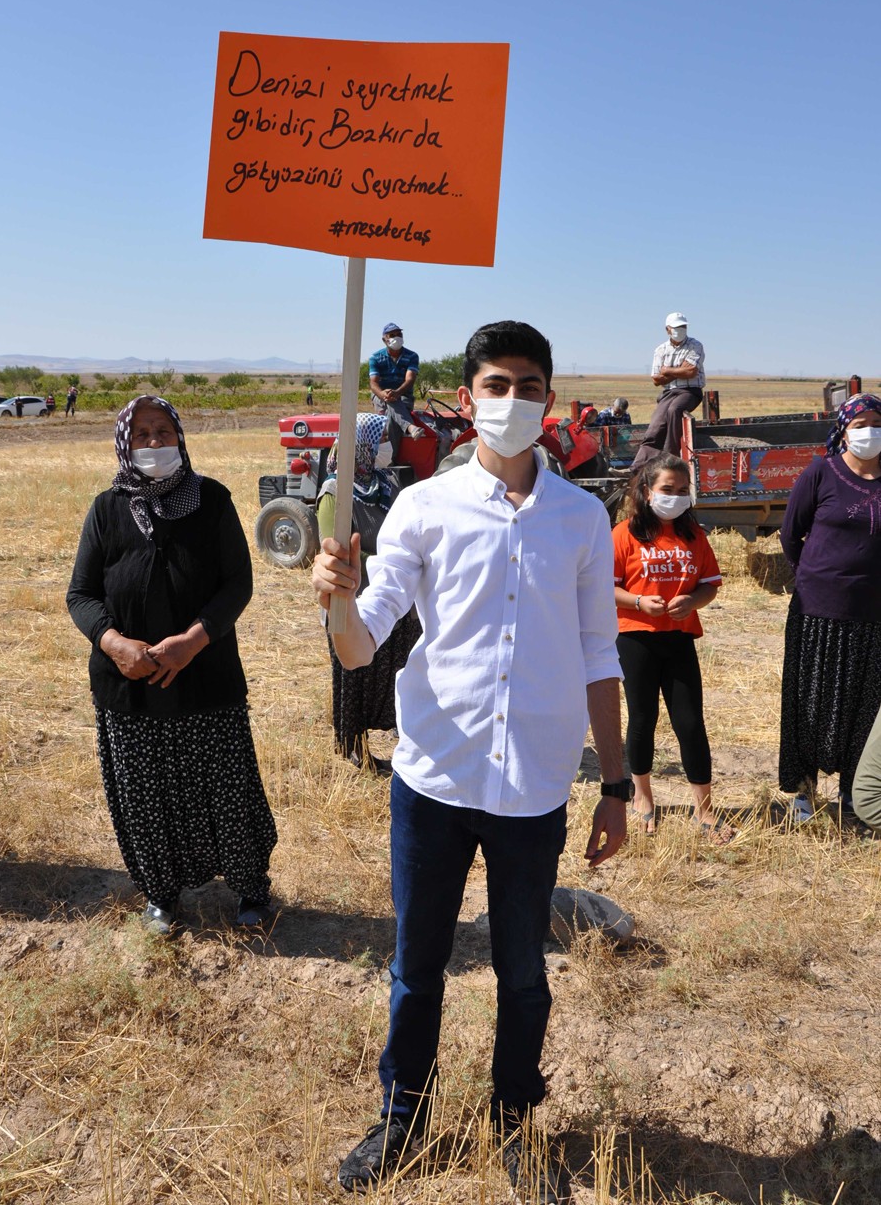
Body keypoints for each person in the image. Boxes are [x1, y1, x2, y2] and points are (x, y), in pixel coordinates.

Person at [313, 320, 628, 1201]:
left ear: (551, 402)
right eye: (496, 385)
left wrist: (614, 785)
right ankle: (402, 1118)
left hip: (532, 787)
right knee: (418, 968)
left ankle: (513, 1120)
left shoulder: (581, 516)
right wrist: (335, 601)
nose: (512, 401)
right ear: (465, 398)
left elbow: (601, 655)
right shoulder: (422, 507)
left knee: (525, 975)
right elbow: (358, 644)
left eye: (528, 386)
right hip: (434, 781)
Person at [66, 395, 278, 934]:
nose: (154, 442)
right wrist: (114, 644)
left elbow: (237, 583)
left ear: (180, 438)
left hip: (205, 675)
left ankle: (251, 887)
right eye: (142, 434)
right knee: (144, 793)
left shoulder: (211, 499)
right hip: (129, 685)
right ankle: (160, 893)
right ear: (125, 443)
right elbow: (81, 594)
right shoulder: (106, 509)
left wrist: (191, 641)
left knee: (224, 786)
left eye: (163, 431)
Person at [612, 454, 730, 840]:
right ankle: (642, 797)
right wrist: (637, 602)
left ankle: (705, 808)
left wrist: (693, 602)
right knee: (642, 719)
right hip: (634, 637)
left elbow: (709, 584)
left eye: (683, 491)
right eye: (667, 490)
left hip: (679, 639)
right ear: (647, 492)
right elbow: (603, 588)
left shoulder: (694, 535)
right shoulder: (623, 534)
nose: (676, 497)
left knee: (691, 723)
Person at [778, 393, 881, 823]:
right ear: (844, 430)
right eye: (860, 424)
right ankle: (803, 792)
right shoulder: (822, 472)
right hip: (817, 611)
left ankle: (855, 793)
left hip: (872, 614)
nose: (870, 432)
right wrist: (815, 577)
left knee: (864, 703)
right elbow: (790, 534)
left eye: (877, 422)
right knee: (809, 701)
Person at [316, 413, 421, 773]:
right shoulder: (335, 492)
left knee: (392, 669)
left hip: (392, 596)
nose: (386, 449)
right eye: (379, 442)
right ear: (361, 446)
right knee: (355, 677)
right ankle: (355, 748)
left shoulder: (384, 484)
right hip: (355, 600)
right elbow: (336, 549)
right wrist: (391, 560)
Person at [631, 313, 705, 467]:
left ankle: (670, 455)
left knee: (674, 410)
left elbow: (691, 372)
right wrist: (679, 370)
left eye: (683, 326)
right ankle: (637, 467)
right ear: (668, 330)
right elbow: (656, 380)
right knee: (655, 426)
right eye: (677, 327)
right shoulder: (661, 349)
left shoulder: (695, 345)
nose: (681, 330)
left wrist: (666, 370)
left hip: (690, 391)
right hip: (668, 392)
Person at [368, 322, 426, 455]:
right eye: (392, 335)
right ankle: (411, 428)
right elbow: (373, 383)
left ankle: (388, 460)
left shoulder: (412, 356)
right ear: (384, 339)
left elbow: (410, 379)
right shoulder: (375, 357)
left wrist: (397, 393)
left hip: (404, 395)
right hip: (380, 396)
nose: (397, 337)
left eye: (399, 334)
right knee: (390, 401)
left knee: (390, 418)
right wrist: (383, 394)